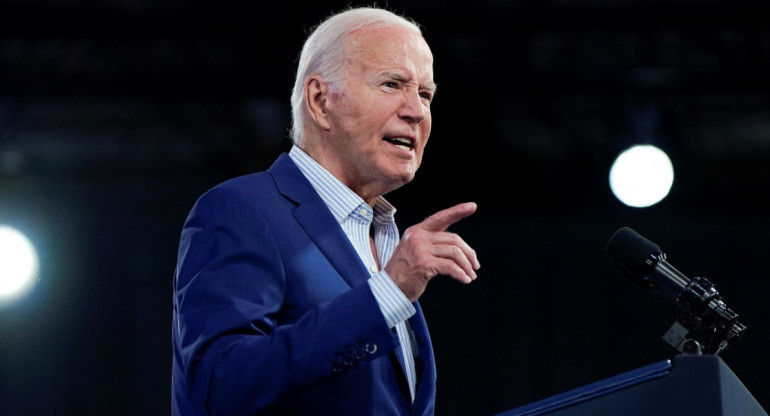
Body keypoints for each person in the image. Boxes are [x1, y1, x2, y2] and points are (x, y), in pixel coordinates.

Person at [171, 6, 481, 415]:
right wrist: (386, 294)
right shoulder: (241, 210)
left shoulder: (387, 239)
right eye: (392, 84)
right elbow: (220, 388)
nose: (417, 111)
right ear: (320, 100)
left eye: (425, 94)